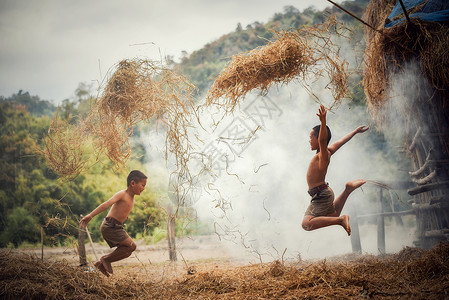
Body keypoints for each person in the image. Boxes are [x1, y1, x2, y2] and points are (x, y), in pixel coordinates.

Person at [302, 105, 369, 236]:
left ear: (319, 139)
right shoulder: (327, 152)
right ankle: (348, 189)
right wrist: (354, 132)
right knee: (333, 214)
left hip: (321, 194)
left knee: (306, 224)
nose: (309, 140)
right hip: (321, 193)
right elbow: (341, 141)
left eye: (311, 137)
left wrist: (323, 121)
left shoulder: (323, 155)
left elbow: (322, 139)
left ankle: (341, 220)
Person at [79, 170, 147, 276]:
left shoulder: (132, 198)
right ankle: (105, 259)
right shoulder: (122, 194)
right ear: (133, 183)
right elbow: (106, 204)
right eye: (142, 185)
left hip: (116, 226)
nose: (144, 188)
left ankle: (101, 263)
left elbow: (120, 210)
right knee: (131, 246)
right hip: (110, 226)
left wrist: (124, 216)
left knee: (129, 250)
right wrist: (91, 215)